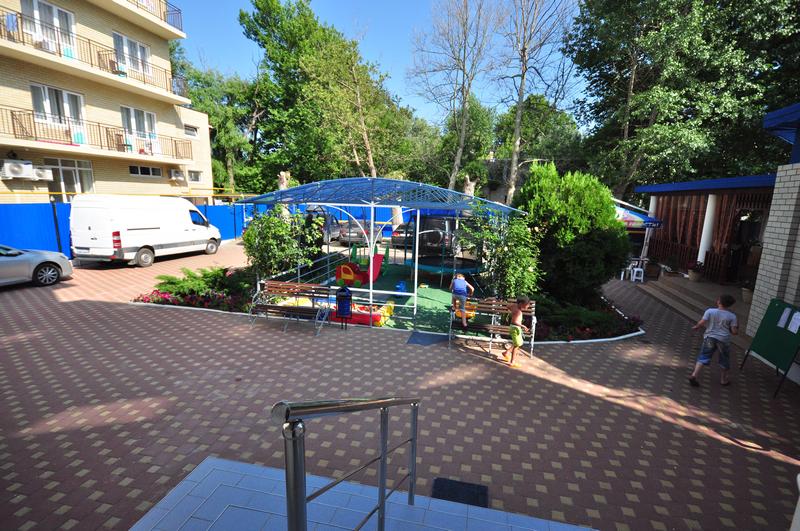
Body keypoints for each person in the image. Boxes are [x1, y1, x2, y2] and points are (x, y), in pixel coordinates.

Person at [689, 294, 738, 387]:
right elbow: (734, 331)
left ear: (719, 302)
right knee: (724, 359)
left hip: (710, 338)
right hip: (723, 340)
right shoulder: (732, 316)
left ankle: (694, 375)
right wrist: (735, 330)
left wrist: (696, 327)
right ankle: (723, 380)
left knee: (704, 356)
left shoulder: (710, 311)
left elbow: (702, 322)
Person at [501, 296, 531, 365]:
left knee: (517, 343)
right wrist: (523, 326)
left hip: (513, 327)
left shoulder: (514, 306)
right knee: (517, 345)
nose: (528, 307)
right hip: (515, 328)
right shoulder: (518, 312)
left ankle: (506, 352)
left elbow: (508, 306)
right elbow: (515, 321)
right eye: (527, 305)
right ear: (520, 304)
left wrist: (511, 312)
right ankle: (512, 362)